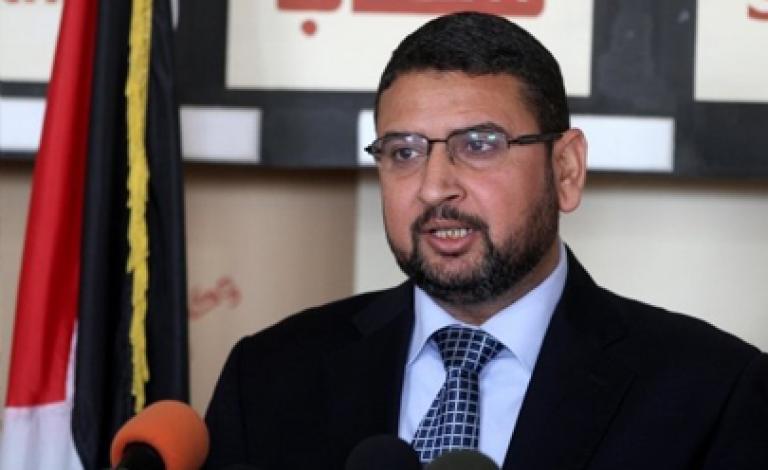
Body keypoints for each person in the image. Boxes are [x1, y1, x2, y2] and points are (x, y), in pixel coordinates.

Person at [204, 12, 768, 470]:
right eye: (404, 152)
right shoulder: (269, 376)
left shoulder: (713, 392)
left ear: (566, 169)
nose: (433, 187)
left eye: (478, 145)